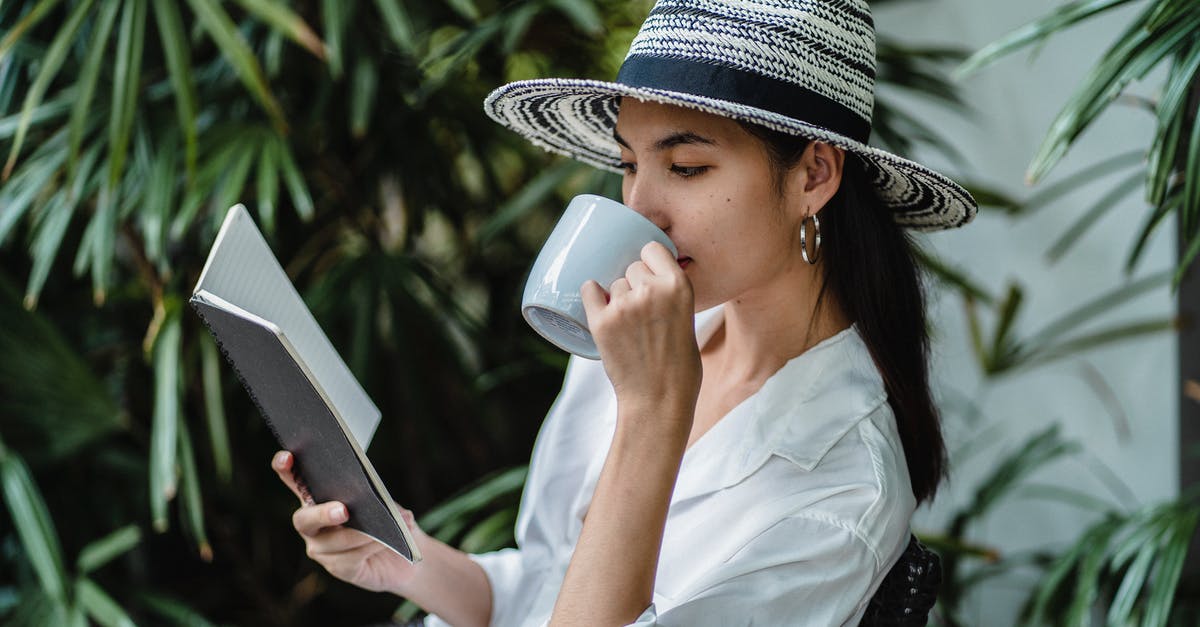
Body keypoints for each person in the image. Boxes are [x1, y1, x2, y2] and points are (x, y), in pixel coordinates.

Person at [273, 0, 978, 625]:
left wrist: (653, 414)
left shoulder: (841, 494)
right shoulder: (646, 333)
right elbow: (551, 577)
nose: (638, 208)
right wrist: (406, 560)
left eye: (688, 167)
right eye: (629, 164)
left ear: (813, 175)